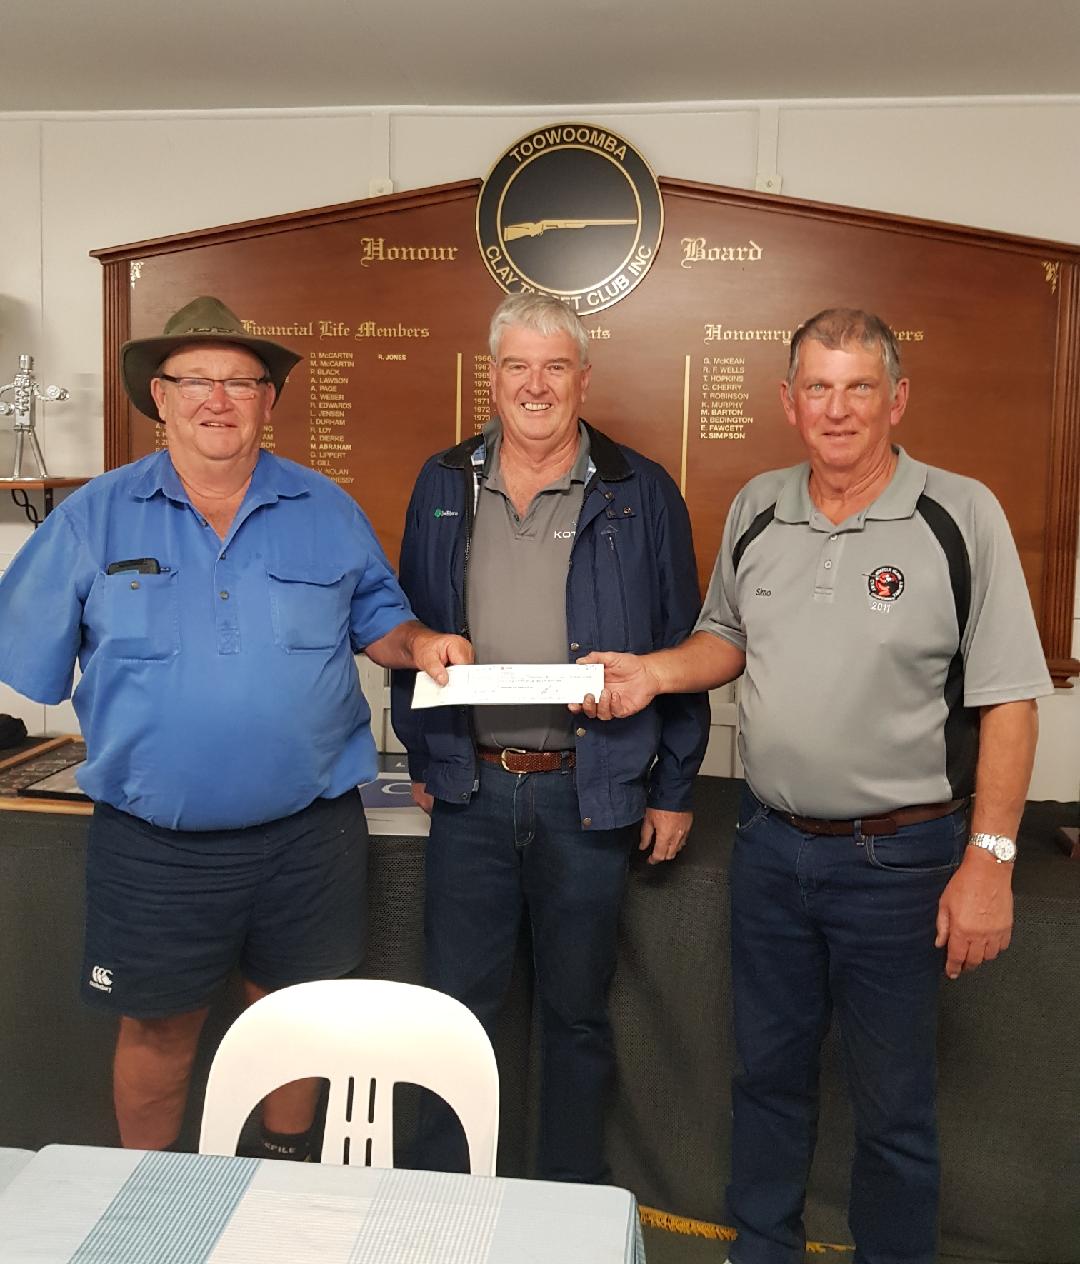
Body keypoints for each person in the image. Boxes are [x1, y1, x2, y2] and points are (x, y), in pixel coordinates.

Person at [579, 308, 1052, 1263]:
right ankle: (760, 1250)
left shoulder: (961, 515)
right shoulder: (759, 504)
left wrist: (991, 862)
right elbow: (726, 637)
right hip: (771, 849)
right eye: (819, 389)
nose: (838, 410)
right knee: (766, 1082)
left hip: (902, 862)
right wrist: (652, 673)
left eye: (859, 387)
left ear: (896, 399)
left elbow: (1009, 700)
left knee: (893, 1107)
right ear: (790, 402)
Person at [0, 296, 470, 1157]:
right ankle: (145, 1200)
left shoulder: (327, 509)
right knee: (156, 1031)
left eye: (241, 382)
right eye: (195, 381)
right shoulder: (91, 519)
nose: (218, 400)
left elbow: (382, 622)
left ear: (269, 400)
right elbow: (27, 658)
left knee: (296, 1022)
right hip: (154, 846)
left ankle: (283, 1181)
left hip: (309, 838)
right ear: (160, 397)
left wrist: (423, 644)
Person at [391, 292, 710, 1183]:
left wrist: (675, 785)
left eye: (555, 367)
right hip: (472, 789)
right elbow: (409, 628)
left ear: (584, 378)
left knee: (576, 1015)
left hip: (589, 790)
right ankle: (444, 1206)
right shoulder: (442, 481)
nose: (536, 386)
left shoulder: (641, 490)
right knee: (457, 1014)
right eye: (518, 367)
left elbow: (685, 641)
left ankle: (566, 1205)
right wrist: (424, 752)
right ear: (492, 377)